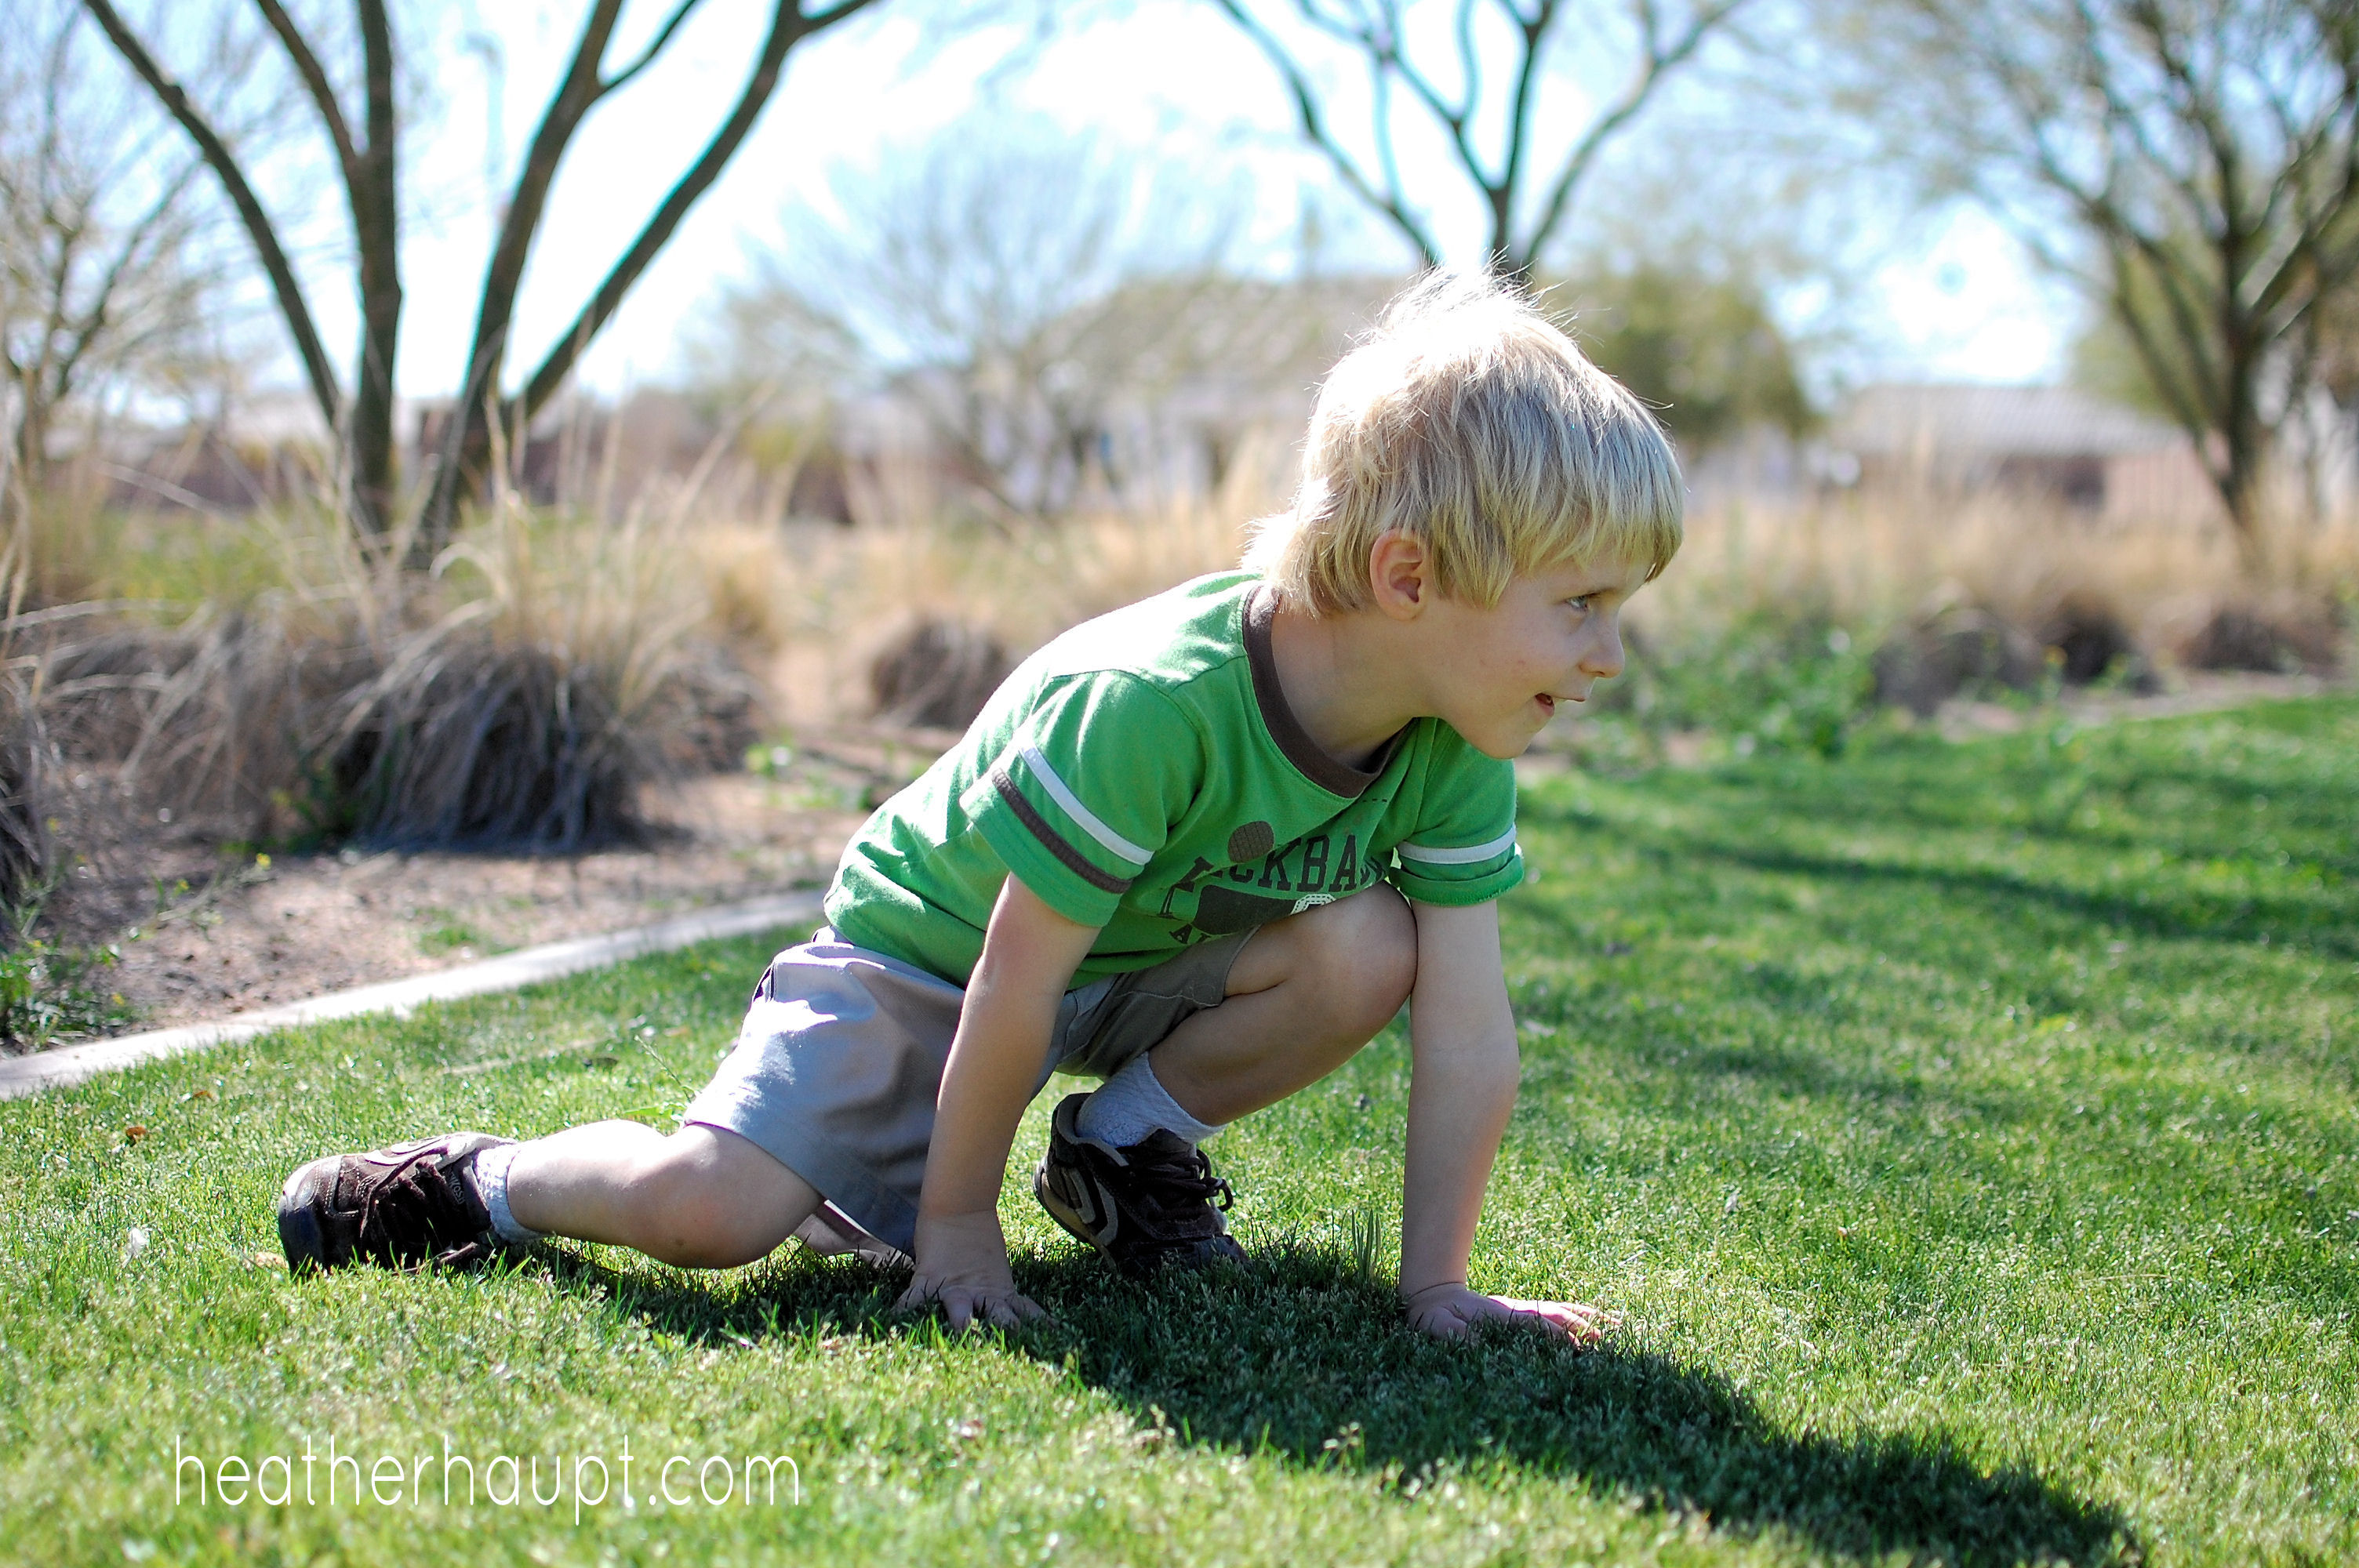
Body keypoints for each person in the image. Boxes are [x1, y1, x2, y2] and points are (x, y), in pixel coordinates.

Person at [275, 270, 1683, 1342]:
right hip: (935, 957)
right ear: (1408, 577)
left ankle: (1121, 1151)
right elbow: (1010, 984)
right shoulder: (1156, 703)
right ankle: (472, 1183)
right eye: (1579, 605)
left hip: (1129, 970)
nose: (1609, 653)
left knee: (1379, 944)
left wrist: (1439, 1285)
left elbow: (1470, 1028)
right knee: (708, 1217)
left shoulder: (1457, 739)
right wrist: (954, 1231)